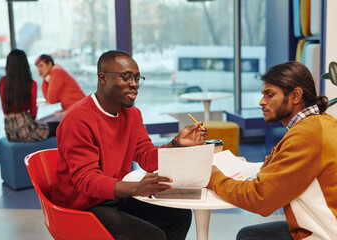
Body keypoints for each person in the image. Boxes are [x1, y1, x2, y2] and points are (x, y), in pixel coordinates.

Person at [51, 50, 208, 240]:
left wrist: (176, 143)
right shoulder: (78, 119)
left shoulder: (132, 115)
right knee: (151, 236)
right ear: (103, 78)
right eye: (126, 78)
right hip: (81, 206)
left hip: (114, 196)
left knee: (179, 216)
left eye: (136, 78)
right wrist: (136, 188)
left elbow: (146, 158)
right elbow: (87, 181)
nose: (134, 84)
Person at [207, 61, 337, 240]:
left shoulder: (307, 134)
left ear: (296, 95)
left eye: (270, 94)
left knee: (248, 237)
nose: (262, 102)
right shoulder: (322, 122)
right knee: (249, 235)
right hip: (322, 226)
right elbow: (272, 172)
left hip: (324, 235)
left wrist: (214, 178)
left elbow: (261, 199)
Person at [0, 49, 50, 142]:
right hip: (27, 131)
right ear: (24, 64)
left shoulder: (2, 82)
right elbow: (33, 113)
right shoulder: (31, 83)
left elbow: (4, 109)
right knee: (57, 126)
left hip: (10, 132)